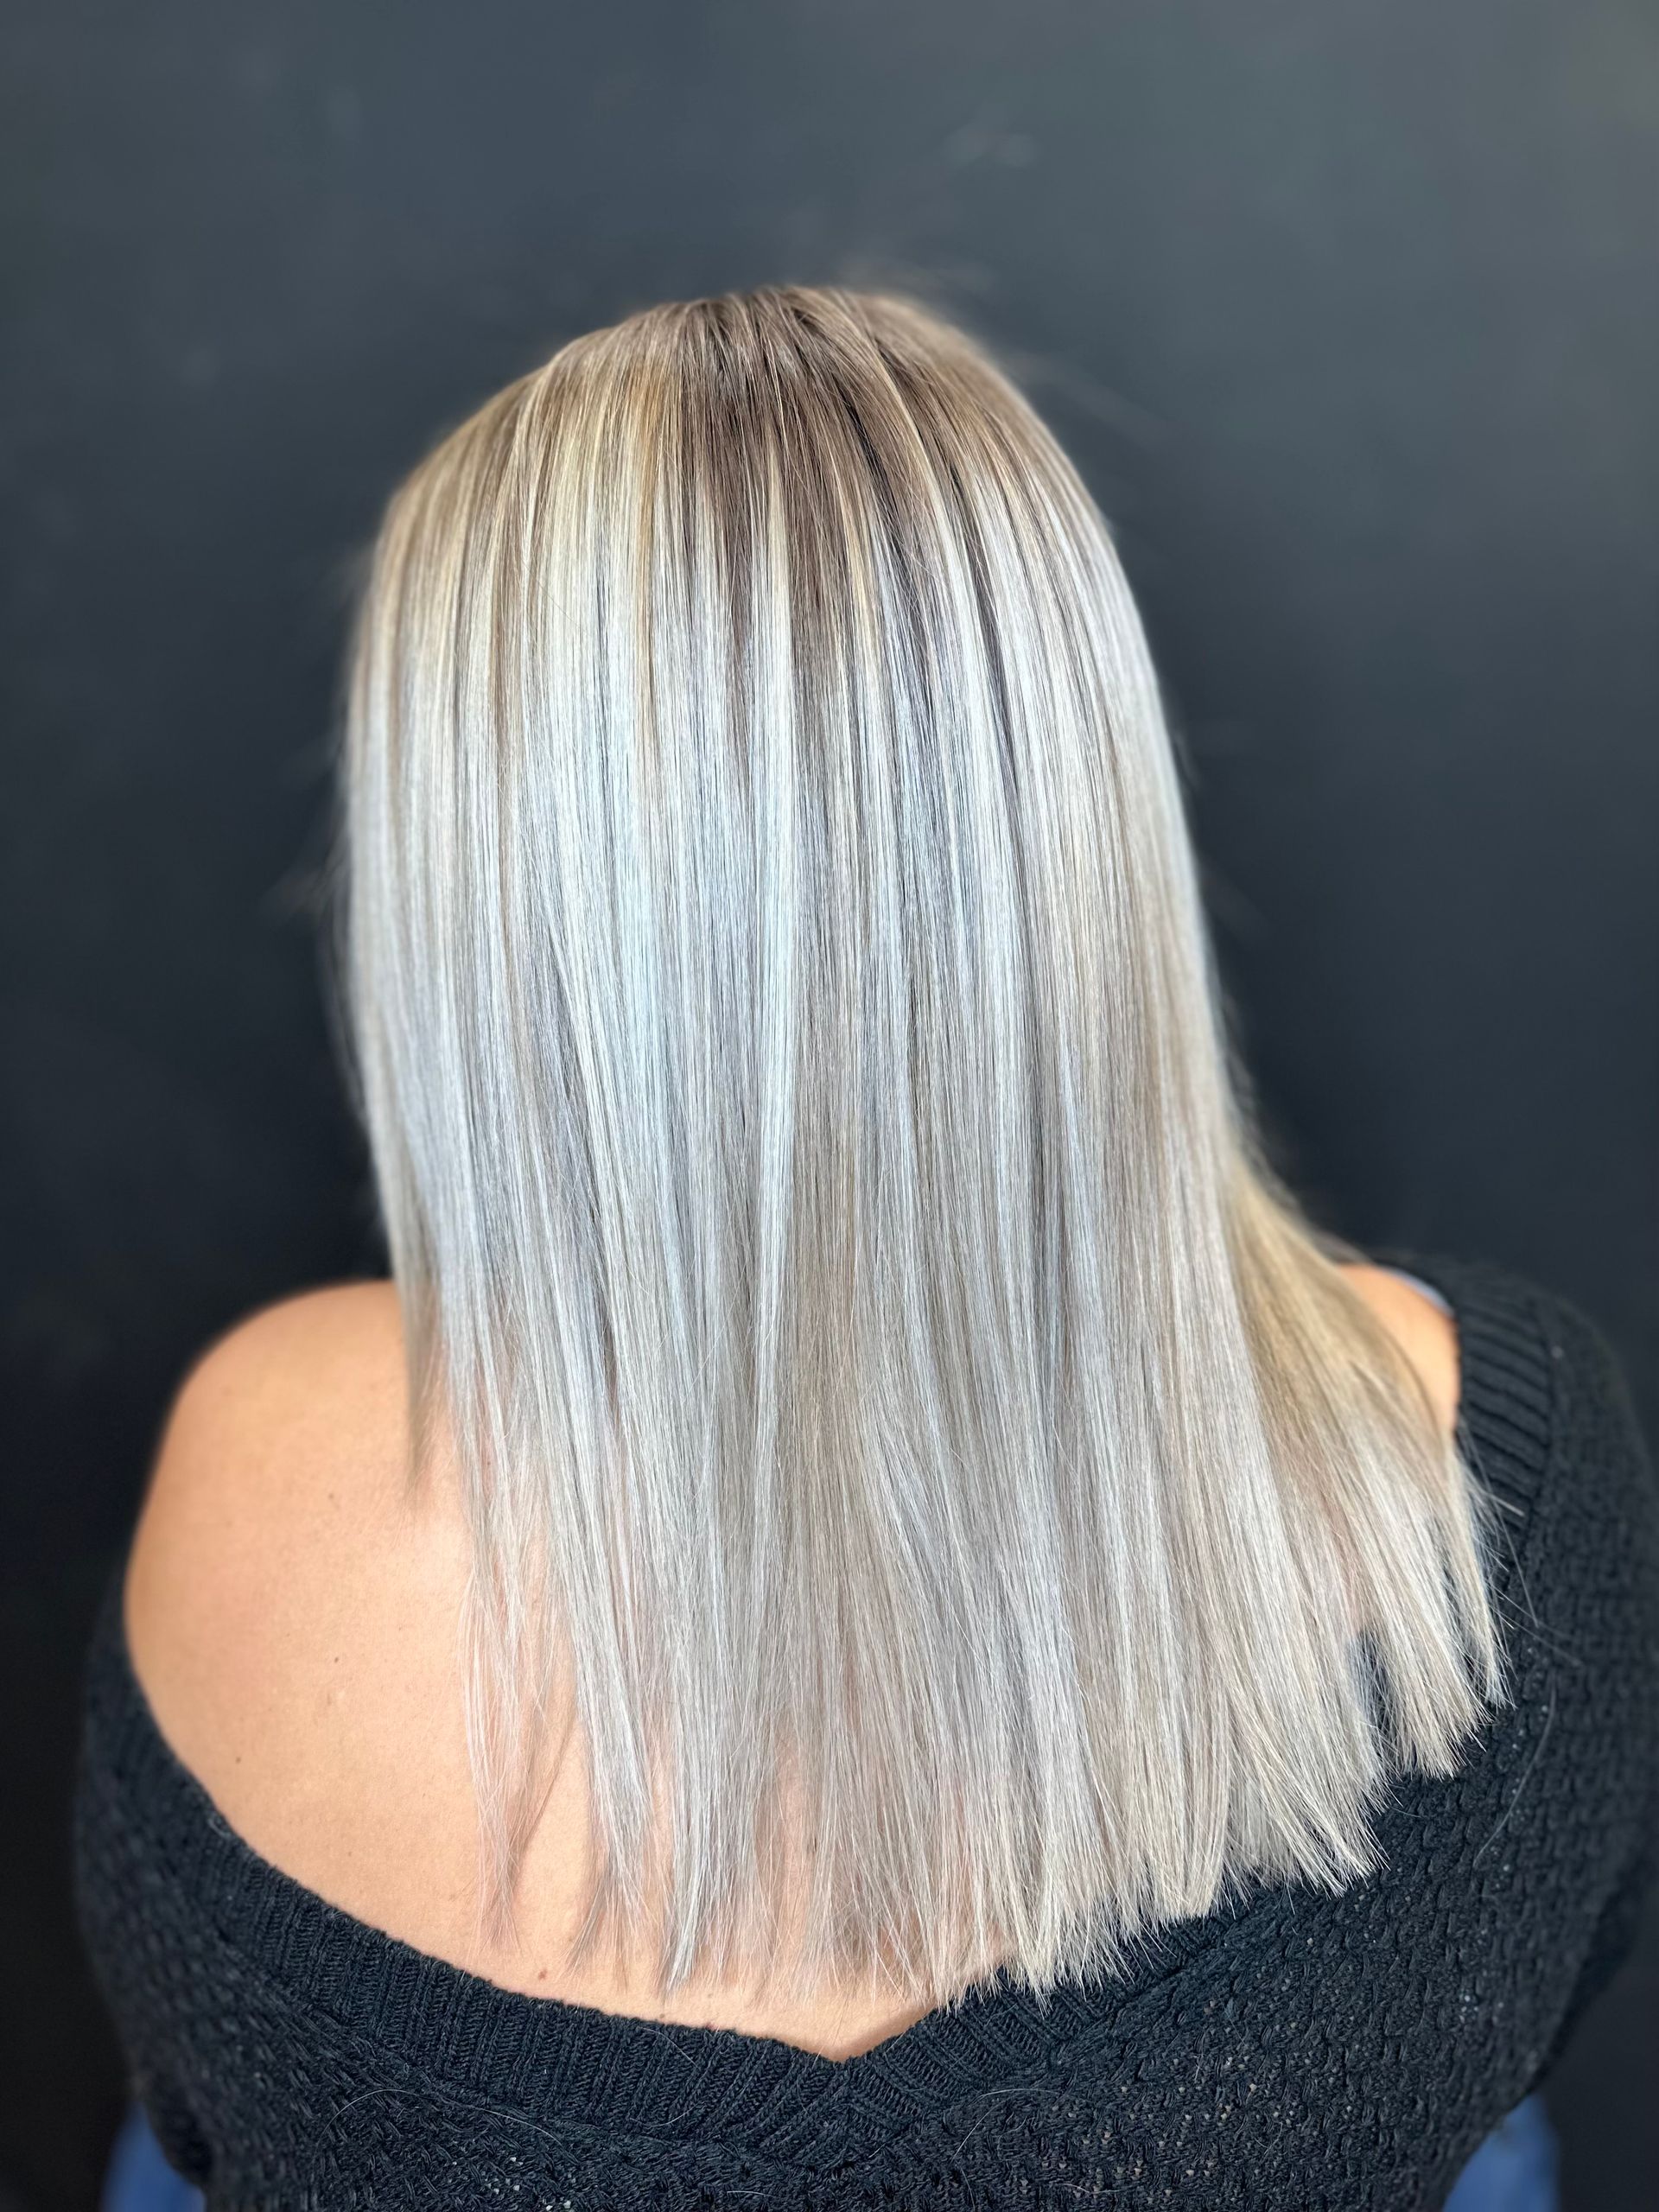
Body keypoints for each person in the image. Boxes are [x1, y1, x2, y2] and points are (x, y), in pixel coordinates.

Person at [75, 285, 1658, 2209]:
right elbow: (1536, 1988)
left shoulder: (257, 1453)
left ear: (472, 881)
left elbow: (200, 2108)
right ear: (1066, 796)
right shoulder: (1506, 1480)